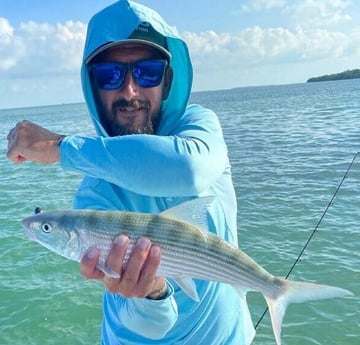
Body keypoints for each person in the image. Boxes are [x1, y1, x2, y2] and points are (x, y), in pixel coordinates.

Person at [7, 1, 255, 344]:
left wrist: (59, 148)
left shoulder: (197, 128)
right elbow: (143, 327)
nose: (129, 91)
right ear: (93, 90)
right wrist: (152, 293)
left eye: (147, 72)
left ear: (167, 81)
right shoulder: (96, 191)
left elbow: (189, 169)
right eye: (110, 75)